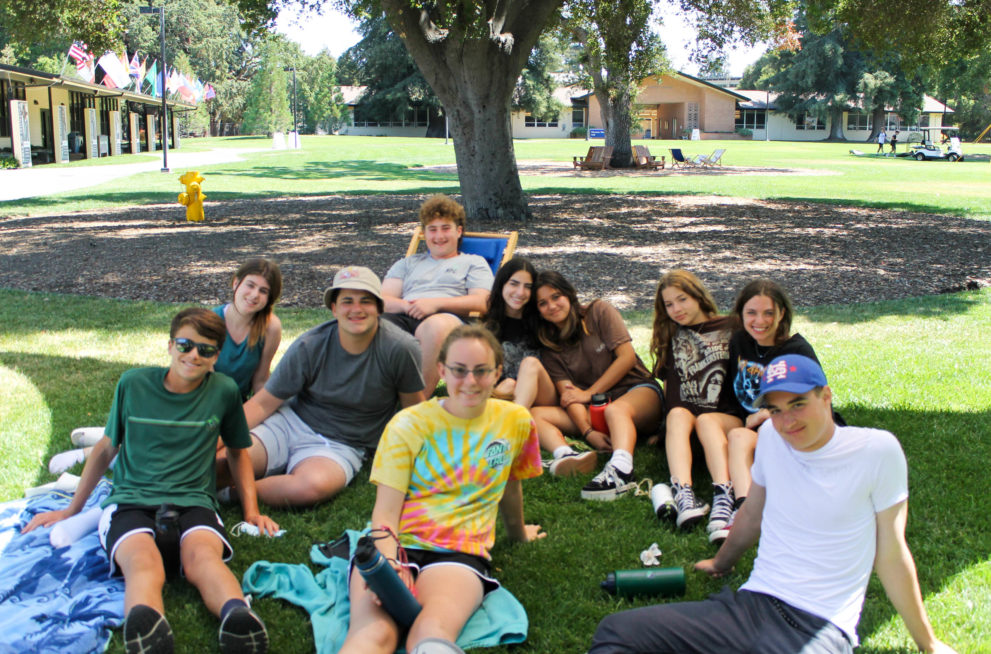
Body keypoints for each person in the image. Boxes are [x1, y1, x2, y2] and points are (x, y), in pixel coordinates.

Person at [588, 354, 958, 654]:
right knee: (616, 631)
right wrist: (721, 562)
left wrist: (928, 643)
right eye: (776, 410)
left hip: (819, 626)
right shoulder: (770, 438)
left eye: (798, 404)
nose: (787, 421)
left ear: (826, 397)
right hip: (751, 606)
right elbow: (753, 511)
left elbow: (891, 552)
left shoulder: (876, 451)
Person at [23, 308, 278, 654]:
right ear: (170, 345)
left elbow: (237, 452)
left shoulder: (224, 391)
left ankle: (237, 617)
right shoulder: (133, 384)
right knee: (142, 564)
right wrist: (71, 510)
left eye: (205, 350)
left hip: (194, 501)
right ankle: (147, 627)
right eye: (186, 345)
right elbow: (105, 449)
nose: (194, 355)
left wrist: (251, 512)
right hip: (130, 502)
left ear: (216, 356)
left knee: (204, 558)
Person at [338, 324, 545, 654]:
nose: (470, 381)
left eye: (481, 371)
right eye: (459, 370)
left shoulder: (516, 421)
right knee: (374, 634)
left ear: (498, 372)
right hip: (395, 544)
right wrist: (389, 564)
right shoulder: (408, 424)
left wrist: (518, 533)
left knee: (431, 631)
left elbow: (510, 485)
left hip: (459, 553)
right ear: (442, 370)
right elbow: (386, 512)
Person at [218, 266, 425, 507]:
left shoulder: (400, 349)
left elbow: (414, 412)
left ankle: (232, 494)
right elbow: (263, 403)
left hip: (343, 444)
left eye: (366, 301)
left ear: (380, 308)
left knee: (309, 488)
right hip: (290, 423)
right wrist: (216, 440)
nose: (356, 309)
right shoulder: (310, 344)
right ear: (334, 308)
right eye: (347, 301)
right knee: (222, 463)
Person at [708, 279, 824, 543]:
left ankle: (748, 508)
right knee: (709, 422)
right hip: (749, 424)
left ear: (782, 313)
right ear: (741, 314)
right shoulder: (740, 342)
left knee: (743, 435)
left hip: (785, 427)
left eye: (768, 312)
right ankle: (725, 495)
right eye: (751, 312)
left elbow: (816, 401)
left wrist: (767, 413)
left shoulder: (797, 350)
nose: (760, 321)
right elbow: (733, 392)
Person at [530, 271, 663, 500]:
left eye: (556, 296)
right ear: (538, 311)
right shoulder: (550, 347)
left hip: (638, 391)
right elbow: (569, 396)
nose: (551, 306)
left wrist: (590, 393)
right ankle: (566, 454)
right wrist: (588, 432)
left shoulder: (598, 312)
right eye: (543, 303)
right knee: (535, 414)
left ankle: (622, 470)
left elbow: (626, 358)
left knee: (616, 411)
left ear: (569, 294)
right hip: (599, 410)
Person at [484, 258, 597, 477]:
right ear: (502, 285)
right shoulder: (489, 326)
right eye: (514, 284)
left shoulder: (541, 320)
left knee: (530, 363)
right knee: (507, 385)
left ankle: (507, 438)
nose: (520, 292)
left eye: (527, 286)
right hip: (510, 397)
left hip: (545, 393)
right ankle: (564, 454)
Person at [650, 270, 737, 533]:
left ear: (698, 296)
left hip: (725, 421)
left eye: (682, 299)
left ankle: (724, 495)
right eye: (669, 304)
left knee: (707, 420)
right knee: (676, 414)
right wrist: (662, 430)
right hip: (688, 429)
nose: (676, 309)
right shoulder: (672, 335)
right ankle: (683, 494)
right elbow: (671, 391)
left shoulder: (731, 327)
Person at [382, 194, 494, 395]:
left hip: (449, 318)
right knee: (366, 324)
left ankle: (417, 403)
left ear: (459, 231)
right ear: (424, 233)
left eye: (445, 228)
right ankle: (369, 399)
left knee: (435, 327)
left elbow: (482, 302)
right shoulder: (407, 263)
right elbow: (381, 300)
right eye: (432, 229)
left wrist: (435, 304)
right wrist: (408, 306)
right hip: (405, 314)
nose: (439, 236)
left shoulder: (473, 262)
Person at [213, 257, 283, 400]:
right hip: (204, 400)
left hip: (239, 404)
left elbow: (260, 381)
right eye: (250, 285)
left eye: (263, 291)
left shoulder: (271, 328)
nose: (255, 295)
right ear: (236, 283)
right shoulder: (211, 320)